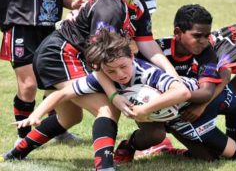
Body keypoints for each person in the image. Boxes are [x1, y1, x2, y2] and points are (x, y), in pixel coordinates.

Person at [1, 0, 179, 170]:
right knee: (107, 108)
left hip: (77, 56)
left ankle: (17, 152)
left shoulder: (136, 3)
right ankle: (104, 166)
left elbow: (147, 44)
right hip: (61, 55)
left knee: (70, 117)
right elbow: (100, 59)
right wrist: (114, 96)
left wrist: (173, 76)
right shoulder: (109, 7)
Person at [117, 4, 236, 160]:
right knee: (159, 136)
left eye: (206, 35)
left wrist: (196, 104)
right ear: (178, 33)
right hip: (169, 110)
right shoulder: (157, 51)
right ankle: (131, 146)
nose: (203, 41)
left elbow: (214, 85)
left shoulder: (208, 53)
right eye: (197, 36)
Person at [1, 29, 191, 166]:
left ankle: (128, 146)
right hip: (151, 110)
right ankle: (19, 151)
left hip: (187, 108)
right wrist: (37, 113)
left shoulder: (147, 73)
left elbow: (182, 92)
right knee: (71, 117)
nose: (120, 74)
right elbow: (64, 93)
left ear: (132, 58)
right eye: (111, 71)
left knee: (157, 135)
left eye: (124, 67)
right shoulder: (102, 77)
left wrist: (144, 109)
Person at [0, 0, 84, 144]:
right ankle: (23, 137)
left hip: (50, 29)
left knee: (53, 83)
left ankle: (58, 130)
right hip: (20, 25)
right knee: (29, 86)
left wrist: (74, 4)